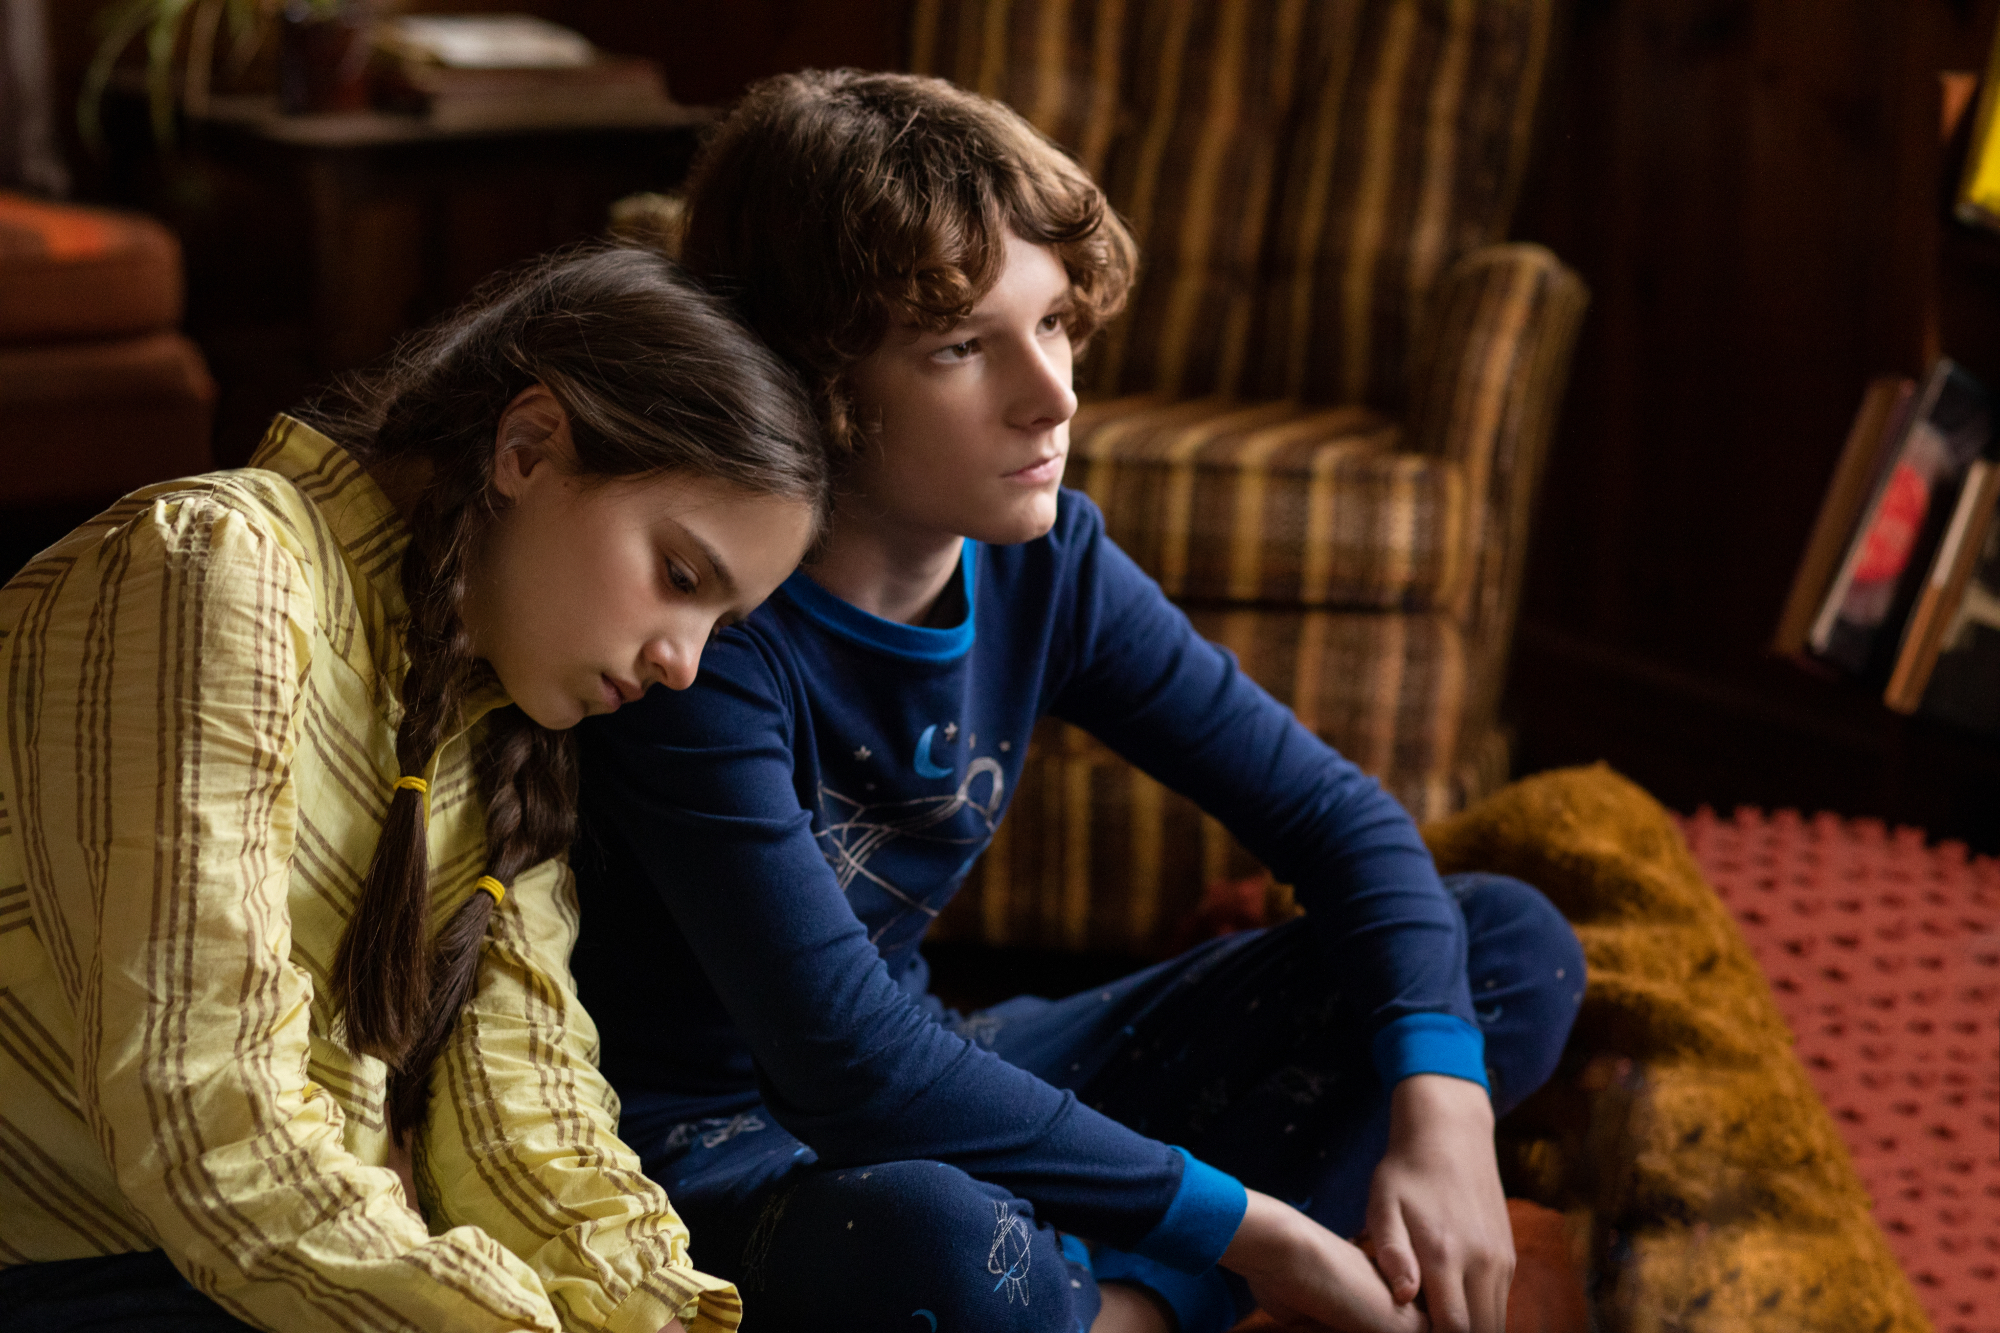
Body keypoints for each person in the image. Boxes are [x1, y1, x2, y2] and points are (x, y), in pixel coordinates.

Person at [570, 72, 1585, 1333]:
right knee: (939, 1246)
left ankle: (1110, 1303)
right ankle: (1148, 1303)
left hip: (944, 1068)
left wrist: (1445, 1110)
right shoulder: (702, 641)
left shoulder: (1045, 562)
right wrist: (1262, 1235)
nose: (1050, 395)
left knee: (1504, 945)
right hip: (720, 1153)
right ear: (811, 378)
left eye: (1052, 324)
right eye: (960, 347)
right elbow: (845, 1066)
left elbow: (1341, 822)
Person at [0, 245, 827, 1333]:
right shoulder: (219, 567)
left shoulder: (503, 713)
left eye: (718, 626)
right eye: (679, 576)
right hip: (78, 1274)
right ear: (527, 447)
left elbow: (520, 1104)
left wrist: (654, 1309)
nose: (682, 662)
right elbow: (206, 1114)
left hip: (264, 1275)